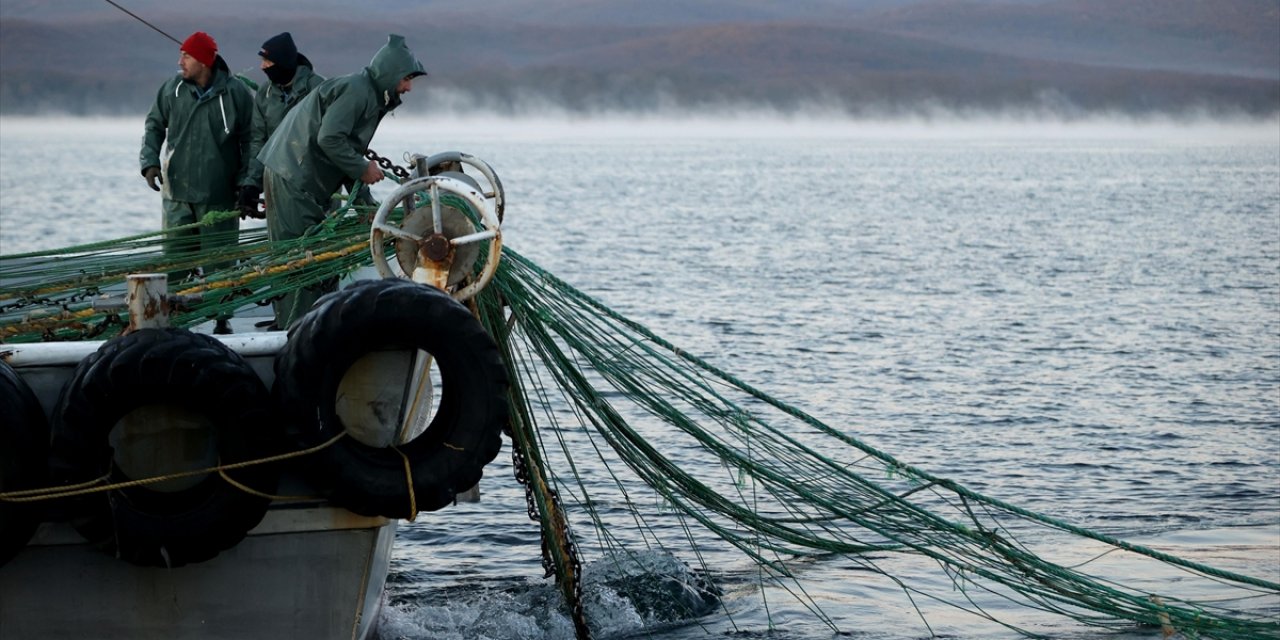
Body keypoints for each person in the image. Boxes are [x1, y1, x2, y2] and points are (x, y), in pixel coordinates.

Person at [257, 34, 426, 330]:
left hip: (301, 175)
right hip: (292, 174)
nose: (409, 86)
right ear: (390, 73)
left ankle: (314, 326)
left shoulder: (370, 96)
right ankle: (294, 332)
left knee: (315, 255)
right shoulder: (358, 91)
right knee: (299, 258)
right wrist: (362, 168)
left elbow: (346, 148)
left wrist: (366, 207)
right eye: (406, 78)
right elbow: (330, 139)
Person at [139, 31, 253, 333]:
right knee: (175, 263)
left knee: (220, 263)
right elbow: (153, 126)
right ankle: (174, 323)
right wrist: (149, 162)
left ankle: (222, 318)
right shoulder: (172, 90)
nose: (180, 62)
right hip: (176, 194)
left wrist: (247, 182)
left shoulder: (236, 93)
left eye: (186, 56)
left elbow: (251, 139)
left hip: (219, 195)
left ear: (204, 60)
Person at [237, 32, 325, 220]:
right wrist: (251, 185)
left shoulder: (318, 89)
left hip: (316, 188)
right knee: (283, 246)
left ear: (282, 61)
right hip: (278, 187)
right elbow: (258, 142)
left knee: (319, 247)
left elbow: (335, 139)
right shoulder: (265, 93)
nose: (262, 67)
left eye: (267, 61)